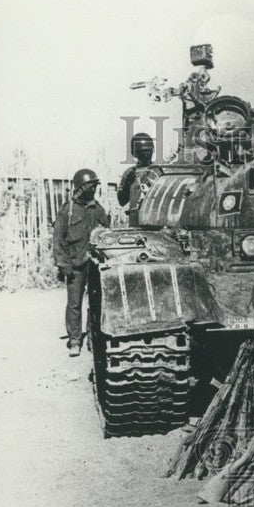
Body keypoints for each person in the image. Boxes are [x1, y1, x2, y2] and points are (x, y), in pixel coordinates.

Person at [52, 169, 110, 356]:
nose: (93, 189)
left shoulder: (98, 209)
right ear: (81, 187)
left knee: (97, 302)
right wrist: (64, 265)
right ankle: (75, 341)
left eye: (94, 186)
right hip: (75, 266)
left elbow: (108, 236)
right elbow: (58, 240)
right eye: (90, 186)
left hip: (96, 266)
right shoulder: (67, 210)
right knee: (74, 304)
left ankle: (94, 339)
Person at [117, 132, 156, 224]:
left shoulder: (158, 172)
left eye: (149, 151)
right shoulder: (129, 173)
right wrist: (127, 184)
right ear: (135, 154)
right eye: (143, 152)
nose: (147, 155)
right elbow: (122, 201)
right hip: (135, 221)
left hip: (154, 221)